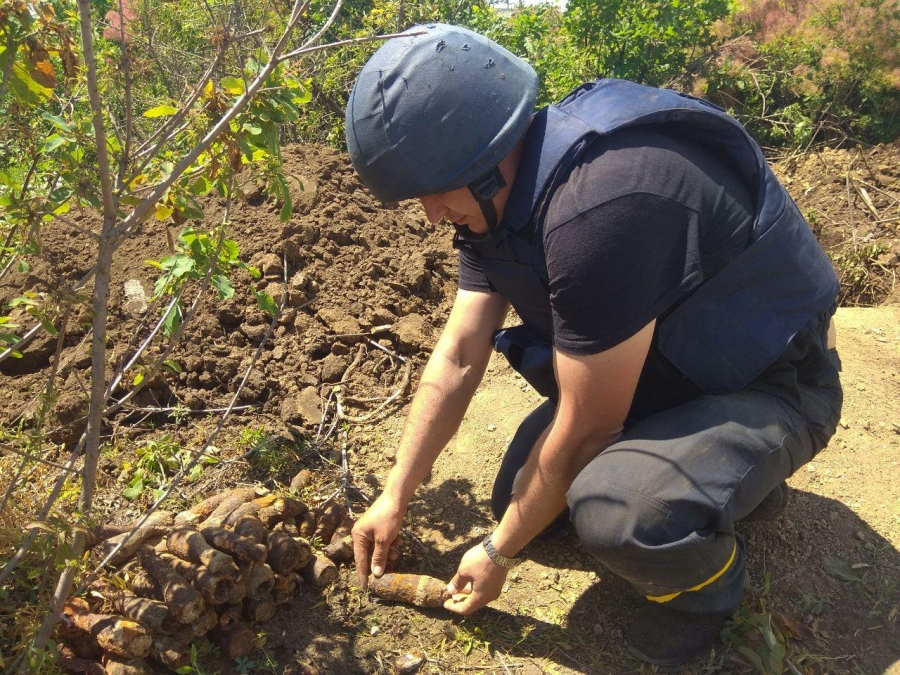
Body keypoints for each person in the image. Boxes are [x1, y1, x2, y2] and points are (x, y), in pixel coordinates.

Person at [344, 23, 842, 666]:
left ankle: (709, 593)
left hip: (771, 384)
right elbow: (460, 354)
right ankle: (722, 488)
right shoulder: (498, 206)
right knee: (522, 501)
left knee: (619, 513)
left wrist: (497, 553)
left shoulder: (600, 206)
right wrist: (395, 493)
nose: (431, 214)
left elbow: (588, 428)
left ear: (483, 160)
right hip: (669, 373)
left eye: (434, 193)